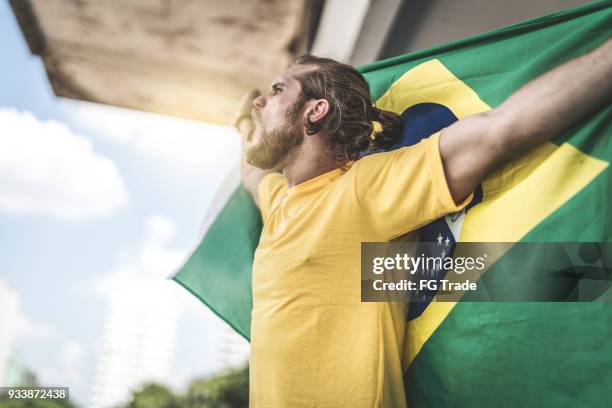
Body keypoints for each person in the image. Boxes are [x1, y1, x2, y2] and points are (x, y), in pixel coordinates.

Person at [233, 41, 612, 407]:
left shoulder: (362, 190)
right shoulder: (280, 203)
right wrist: (240, 123)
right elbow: (251, 172)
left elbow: (501, 129)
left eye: (277, 90)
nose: (260, 102)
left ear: (314, 111)